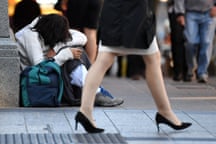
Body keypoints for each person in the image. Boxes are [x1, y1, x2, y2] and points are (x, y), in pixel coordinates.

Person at [75, 0, 192, 133]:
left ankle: (85, 111)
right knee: (147, 59)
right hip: (131, 11)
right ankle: (165, 112)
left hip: (119, 11)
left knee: (107, 59)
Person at [15, 14, 124, 107]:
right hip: (38, 81)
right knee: (72, 58)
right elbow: (39, 66)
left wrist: (57, 47)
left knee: (77, 52)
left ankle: (94, 91)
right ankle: (95, 92)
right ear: (52, 32)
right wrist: (64, 54)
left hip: (50, 75)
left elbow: (82, 37)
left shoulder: (49, 29)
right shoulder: (30, 36)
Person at [174, 0, 216, 83]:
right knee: (190, 42)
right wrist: (180, 13)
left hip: (209, 12)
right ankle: (191, 67)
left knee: (206, 43)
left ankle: (202, 72)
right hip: (190, 13)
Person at [167, 0, 188, 81]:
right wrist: (180, 13)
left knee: (188, 42)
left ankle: (187, 70)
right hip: (176, 11)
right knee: (177, 42)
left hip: (191, 10)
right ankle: (178, 71)